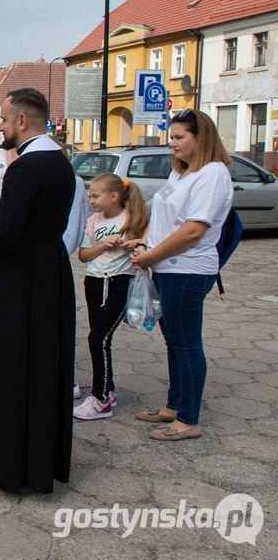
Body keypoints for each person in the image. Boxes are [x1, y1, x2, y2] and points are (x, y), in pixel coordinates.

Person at [0, 87, 76, 493]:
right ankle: (40, 459)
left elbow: (7, 235)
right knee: (43, 365)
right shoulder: (61, 162)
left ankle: (7, 463)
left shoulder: (24, 166)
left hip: (18, 278)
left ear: (21, 121)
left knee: (10, 365)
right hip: (49, 270)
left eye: (2, 118)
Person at [127, 109, 233, 441]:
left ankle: (188, 420)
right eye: (170, 137)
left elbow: (192, 231)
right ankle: (174, 405)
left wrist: (150, 255)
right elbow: (167, 219)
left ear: (200, 138)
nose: (171, 143)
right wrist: (145, 242)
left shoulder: (213, 174)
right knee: (174, 342)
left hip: (186, 271)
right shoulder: (183, 172)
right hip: (165, 267)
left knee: (187, 344)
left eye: (179, 138)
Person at [73, 173, 148, 420]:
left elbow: (148, 243)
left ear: (114, 196)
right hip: (94, 282)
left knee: (97, 338)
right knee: (100, 339)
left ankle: (100, 399)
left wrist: (133, 243)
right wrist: (103, 245)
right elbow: (83, 255)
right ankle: (109, 390)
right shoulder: (94, 221)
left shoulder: (132, 218)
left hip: (119, 283)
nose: (91, 200)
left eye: (96, 196)